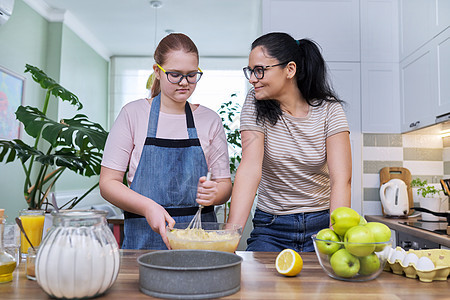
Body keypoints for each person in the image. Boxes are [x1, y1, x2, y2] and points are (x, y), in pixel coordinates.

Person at [99, 33, 232, 250]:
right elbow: (108, 183)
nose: (184, 82)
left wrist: (216, 194)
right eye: (175, 74)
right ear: (157, 72)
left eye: (191, 75)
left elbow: (224, 184)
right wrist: (148, 207)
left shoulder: (210, 120)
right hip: (144, 239)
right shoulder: (133, 114)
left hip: (201, 244)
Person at [227, 32, 352, 252]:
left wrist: (334, 237)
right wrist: (229, 237)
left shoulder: (329, 110)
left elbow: (341, 180)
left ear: (290, 70)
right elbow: (249, 170)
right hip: (271, 226)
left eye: (260, 70)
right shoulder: (254, 104)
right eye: (250, 71)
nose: (252, 78)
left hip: (322, 224)